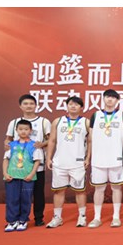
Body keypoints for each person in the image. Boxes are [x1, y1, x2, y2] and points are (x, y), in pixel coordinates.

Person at [4, 94, 51, 226]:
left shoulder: (44, 122)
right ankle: (16, 219)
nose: (28, 106)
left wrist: (42, 144)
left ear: (36, 105)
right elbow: (8, 139)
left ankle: (38, 218)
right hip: (17, 166)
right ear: (20, 106)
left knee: (38, 193)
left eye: (31, 103)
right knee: (17, 194)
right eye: (25, 103)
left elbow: (51, 139)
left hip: (36, 163)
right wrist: (6, 144)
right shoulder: (14, 122)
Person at [45, 95, 90, 228]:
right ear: (67, 106)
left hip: (78, 163)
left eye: (76, 104)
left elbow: (90, 141)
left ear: (81, 108)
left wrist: (88, 158)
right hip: (60, 162)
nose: (73, 106)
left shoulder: (86, 122)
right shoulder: (58, 121)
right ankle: (57, 217)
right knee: (59, 191)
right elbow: (52, 140)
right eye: (70, 104)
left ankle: (82, 217)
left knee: (80, 191)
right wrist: (49, 157)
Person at [88, 88, 123, 228]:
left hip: (116, 159)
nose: (110, 99)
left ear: (117, 100)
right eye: (107, 97)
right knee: (99, 189)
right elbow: (90, 138)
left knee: (116, 188)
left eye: (113, 97)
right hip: (98, 159)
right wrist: (88, 156)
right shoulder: (95, 115)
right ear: (103, 99)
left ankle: (116, 217)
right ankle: (97, 218)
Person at [2, 119, 41, 232]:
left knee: (26, 200)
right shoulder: (11, 145)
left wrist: (31, 174)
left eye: (26, 129)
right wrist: (5, 173)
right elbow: (6, 159)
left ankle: (23, 220)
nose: (23, 131)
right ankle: (12, 221)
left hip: (27, 178)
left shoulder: (34, 145)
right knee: (11, 199)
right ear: (16, 130)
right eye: (20, 129)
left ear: (30, 131)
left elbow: (37, 161)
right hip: (12, 177)